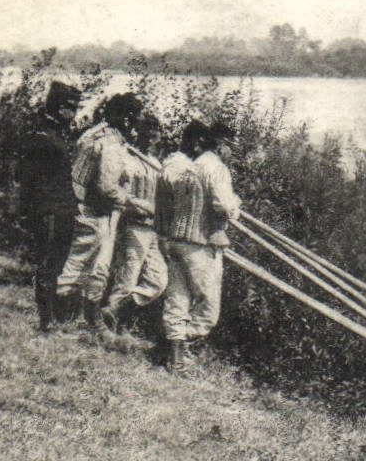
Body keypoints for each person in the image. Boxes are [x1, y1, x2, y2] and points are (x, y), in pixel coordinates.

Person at [155, 120, 241, 370]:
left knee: (177, 299)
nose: (232, 152)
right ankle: (179, 348)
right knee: (208, 307)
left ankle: (175, 356)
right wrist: (236, 206)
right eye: (230, 146)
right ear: (221, 145)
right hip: (201, 244)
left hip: (176, 240)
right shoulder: (216, 169)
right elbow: (224, 205)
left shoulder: (188, 166)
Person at [58, 91, 145, 329]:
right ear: (126, 119)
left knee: (85, 263)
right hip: (94, 211)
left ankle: (75, 318)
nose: (138, 125)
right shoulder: (111, 145)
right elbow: (107, 187)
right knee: (82, 264)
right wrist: (134, 203)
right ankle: (64, 320)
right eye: (136, 118)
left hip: (80, 205)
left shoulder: (96, 133)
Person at [15, 81, 82, 332]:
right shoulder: (41, 136)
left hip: (64, 208)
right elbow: (27, 176)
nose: (73, 114)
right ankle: (46, 319)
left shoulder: (57, 133)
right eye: (70, 108)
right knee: (47, 264)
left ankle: (52, 314)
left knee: (58, 264)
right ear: (58, 107)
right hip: (49, 209)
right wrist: (28, 212)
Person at [101, 113, 168, 336]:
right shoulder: (127, 159)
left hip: (153, 230)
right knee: (127, 277)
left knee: (158, 281)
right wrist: (138, 205)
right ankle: (112, 329)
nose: (151, 139)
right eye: (147, 135)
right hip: (132, 224)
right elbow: (117, 192)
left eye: (155, 136)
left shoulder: (157, 164)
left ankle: (117, 312)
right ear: (138, 134)